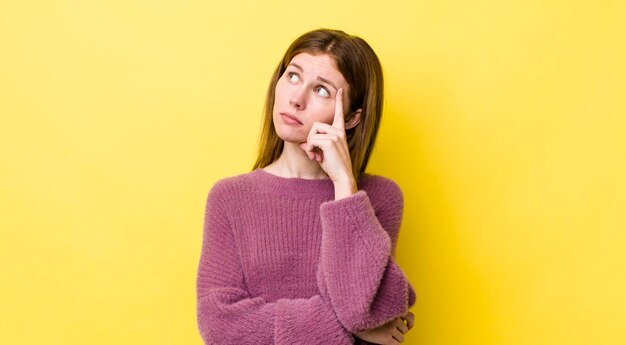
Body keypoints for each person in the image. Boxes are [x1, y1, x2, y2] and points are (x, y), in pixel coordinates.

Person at [196, 28, 417, 344]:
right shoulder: (230, 198)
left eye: (322, 90)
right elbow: (219, 326)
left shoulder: (378, 197)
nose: (296, 99)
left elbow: (358, 309)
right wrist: (348, 328)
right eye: (293, 76)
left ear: (352, 118)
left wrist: (344, 186)